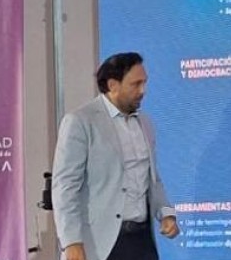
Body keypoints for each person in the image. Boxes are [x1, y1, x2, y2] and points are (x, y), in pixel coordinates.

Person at [52, 52, 179, 260]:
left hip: (142, 241)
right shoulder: (80, 121)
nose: (143, 91)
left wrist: (166, 213)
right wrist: (71, 242)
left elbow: (153, 180)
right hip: (101, 244)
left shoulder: (145, 123)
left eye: (144, 83)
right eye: (135, 84)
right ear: (113, 85)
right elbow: (65, 188)